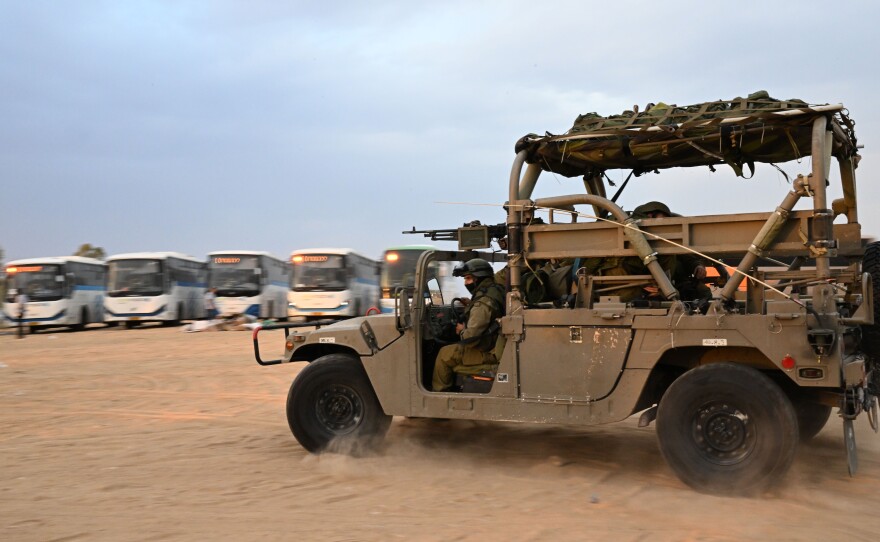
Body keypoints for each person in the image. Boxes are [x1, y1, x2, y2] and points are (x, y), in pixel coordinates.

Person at [432, 258, 505, 392]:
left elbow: (470, 339)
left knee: (444, 354)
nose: (466, 283)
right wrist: (470, 304)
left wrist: (461, 330)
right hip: (494, 344)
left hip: (488, 351)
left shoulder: (482, 304)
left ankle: (441, 396)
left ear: (479, 278)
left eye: (469, 278)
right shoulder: (495, 290)